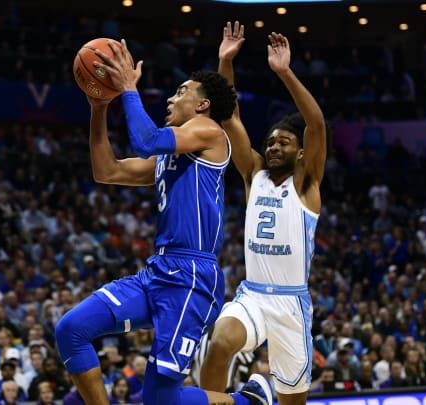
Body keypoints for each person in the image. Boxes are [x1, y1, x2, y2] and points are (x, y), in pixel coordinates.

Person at [55, 39, 270, 405]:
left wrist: (127, 89)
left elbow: (146, 140)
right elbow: (106, 170)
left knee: (160, 399)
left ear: (202, 105)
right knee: (71, 329)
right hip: (159, 270)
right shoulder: (170, 159)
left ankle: (250, 401)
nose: (170, 99)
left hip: (192, 277)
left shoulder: (209, 132)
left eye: (180, 92)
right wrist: (98, 108)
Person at [200, 22, 327, 405]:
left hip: (291, 305)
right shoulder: (254, 173)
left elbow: (316, 124)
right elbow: (229, 119)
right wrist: (225, 62)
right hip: (253, 296)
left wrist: (285, 73)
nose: (272, 146)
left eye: (283, 142)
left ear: (301, 152)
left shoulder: (307, 185)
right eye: (269, 141)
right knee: (220, 342)